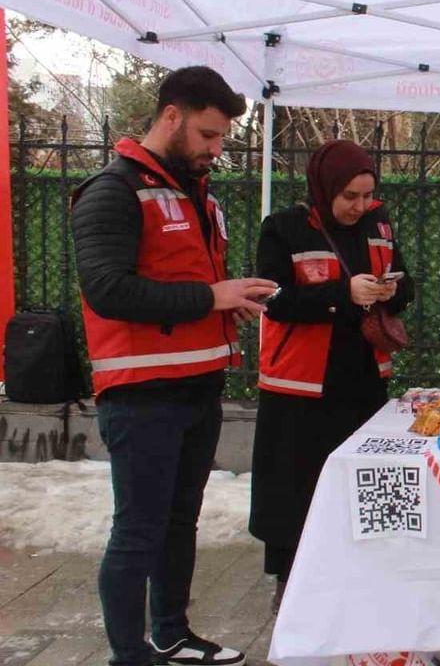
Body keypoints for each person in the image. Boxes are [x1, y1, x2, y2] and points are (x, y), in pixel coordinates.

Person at [70, 66, 274, 666]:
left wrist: (224, 306)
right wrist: (212, 297)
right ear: (170, 116)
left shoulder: (194, 191)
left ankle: (171, 633)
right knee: (138, 532)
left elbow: (181, 284)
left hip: (195, 386)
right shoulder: (112, 190)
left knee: (179, 523)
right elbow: (108, 290)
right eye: (209, 135)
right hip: (141, 393)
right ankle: (128, 655)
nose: (216, 149)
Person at [249, 140, 414, 609]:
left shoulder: (378, 227)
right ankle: (292, 586)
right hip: (300, 386)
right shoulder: (283, 228)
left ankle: (363, 576)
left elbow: (407, 286)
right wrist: (344, 292)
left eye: (366, 195)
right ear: (324, 188)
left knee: (362, 481)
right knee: (294, 487)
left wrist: (388, 291)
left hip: (363, 378)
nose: (359, 206)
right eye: (350, 197)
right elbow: (274, 299)